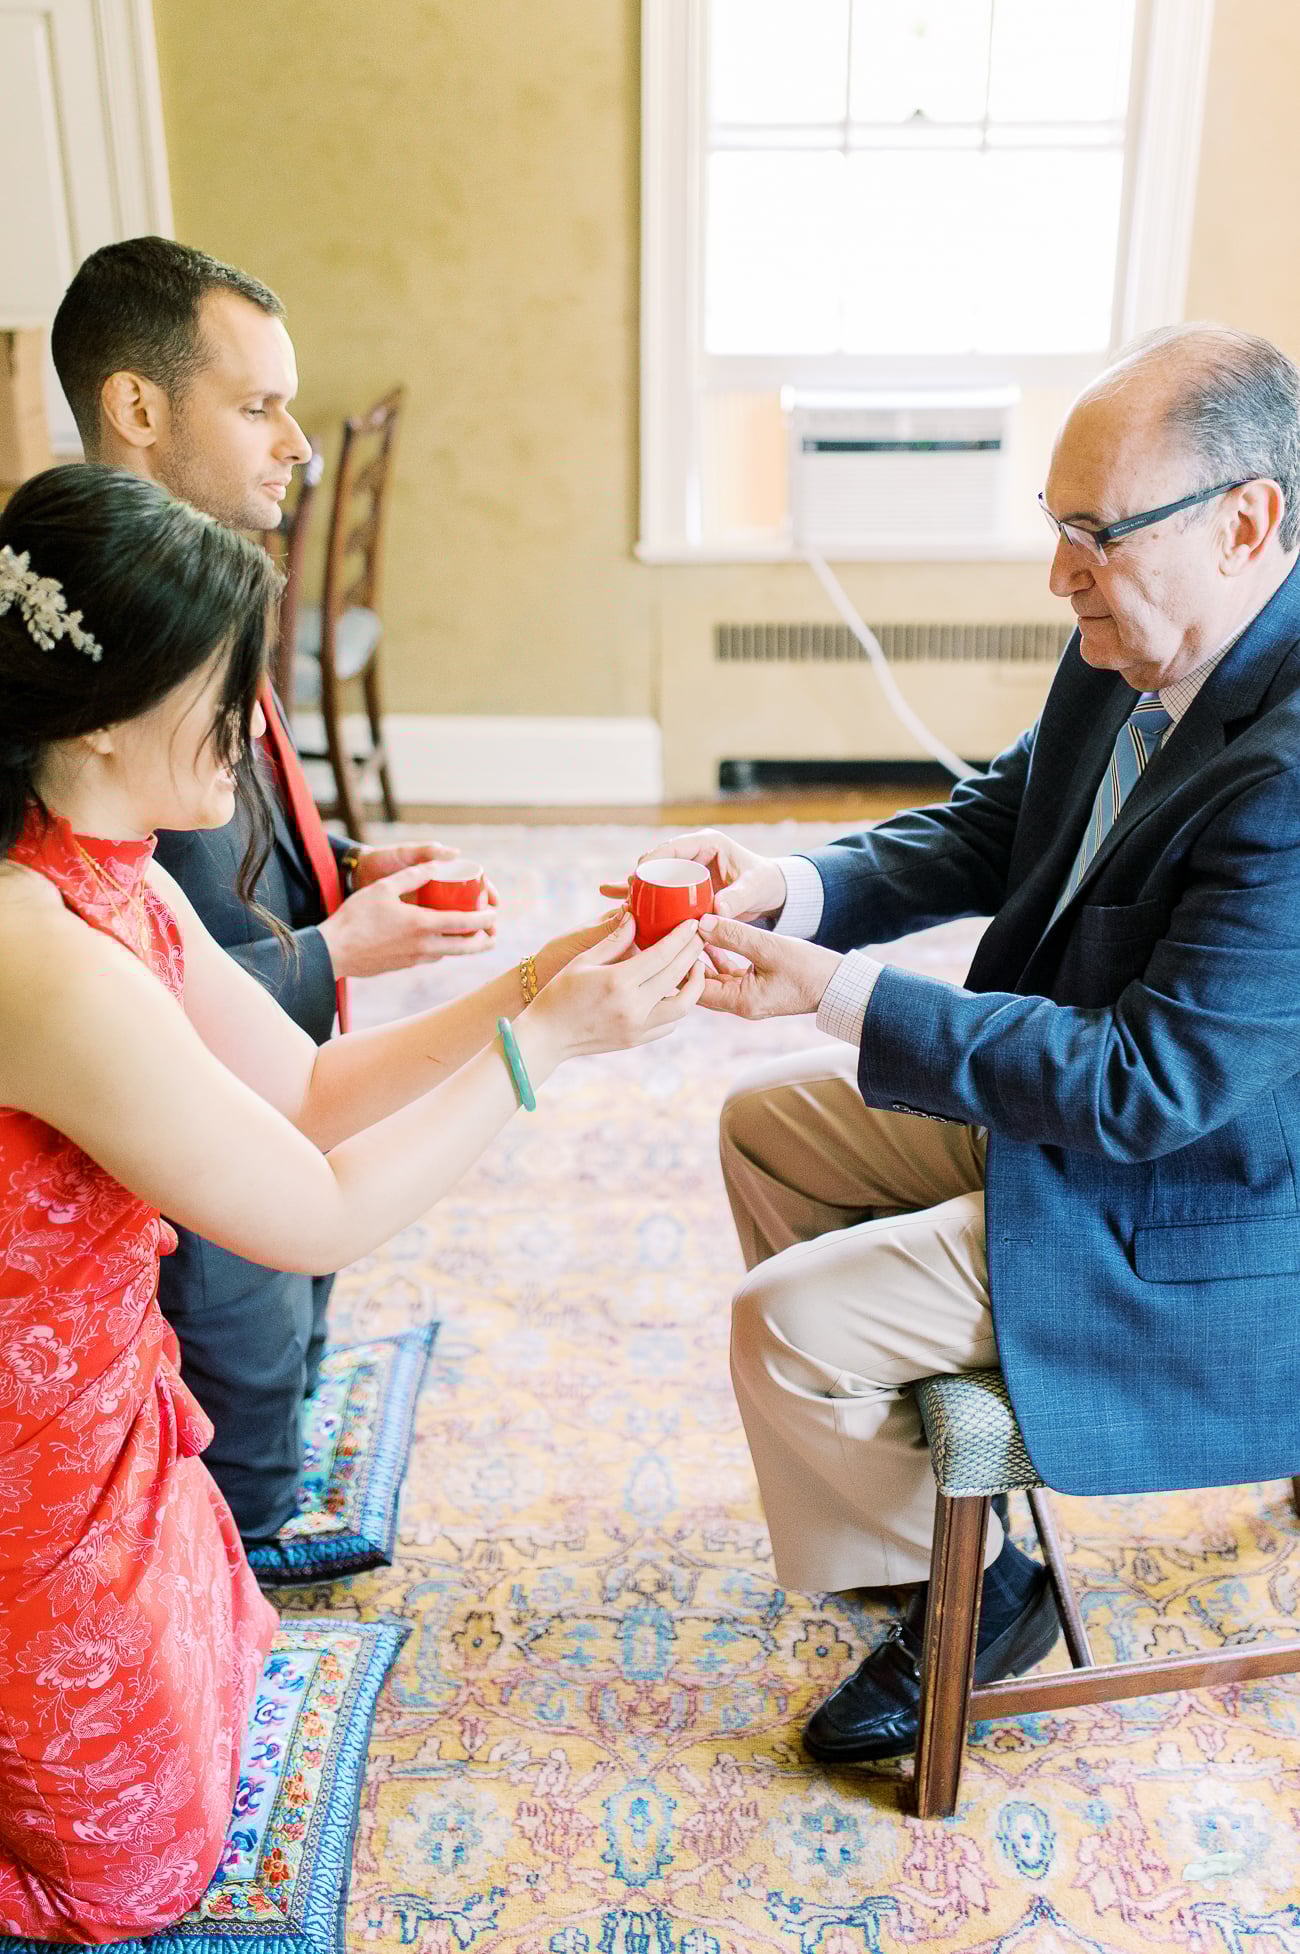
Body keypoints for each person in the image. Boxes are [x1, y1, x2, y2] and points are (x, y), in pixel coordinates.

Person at [0, 462, 704, 1942]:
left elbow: (309, 1092)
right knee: (132, 1875)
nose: (254, 722)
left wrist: (538, 972)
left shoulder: (113, 867)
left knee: (220, 1694)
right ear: (111, 705)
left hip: (105, 1405)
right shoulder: (37, 950)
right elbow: (311, 1209)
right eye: (224, 682)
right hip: (28, 1458)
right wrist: (549, 1047)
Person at [638, 323, 1300, 1765]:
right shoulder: (1140, 630)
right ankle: (930, 1546)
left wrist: (835, 993)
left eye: (1093, 534)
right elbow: (1004, 818)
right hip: (1084, 1121)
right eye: (1055, 528)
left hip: (1198, 1204)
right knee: (763, 1130)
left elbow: (1149, 1087)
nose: (1059, 574)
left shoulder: (1292, 771)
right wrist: (800, 890)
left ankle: (971, 1601)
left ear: (1247, 523)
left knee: (788, 1331)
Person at [50, 238, 494, 1542]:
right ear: (139, 409)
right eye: (259, 406)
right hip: (202, 1139)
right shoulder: (110, 676)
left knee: (291, 1332)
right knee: (245, 1446)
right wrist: (347, 944)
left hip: (279, 1082)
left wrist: (347, 876)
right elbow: (148, 968)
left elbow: (221, 853)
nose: (297, 443)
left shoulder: (206, 594)